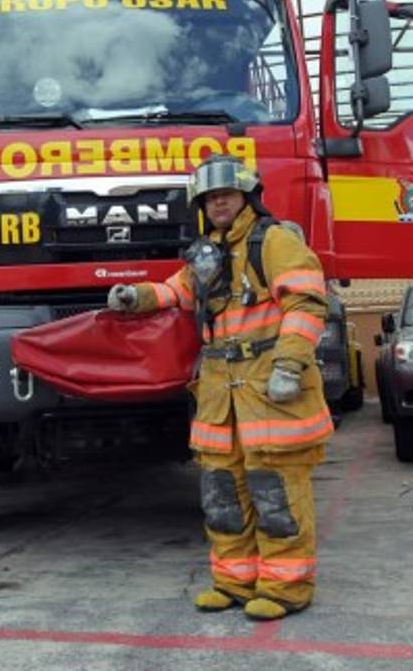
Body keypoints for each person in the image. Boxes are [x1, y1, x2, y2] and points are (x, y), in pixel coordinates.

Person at [108, 155, 332, 620]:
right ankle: (233, 582)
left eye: (226, 195)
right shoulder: (206, 253)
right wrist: (136, 297)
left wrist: (289, 363)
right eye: (210, 198)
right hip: (219, 395)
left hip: (269, 389)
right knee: (222, 492)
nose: (218, 203)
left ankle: (286, 588)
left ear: (247, 196)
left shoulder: (274, 241)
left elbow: (307, 303)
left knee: (276, 494)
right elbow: (177, 292)